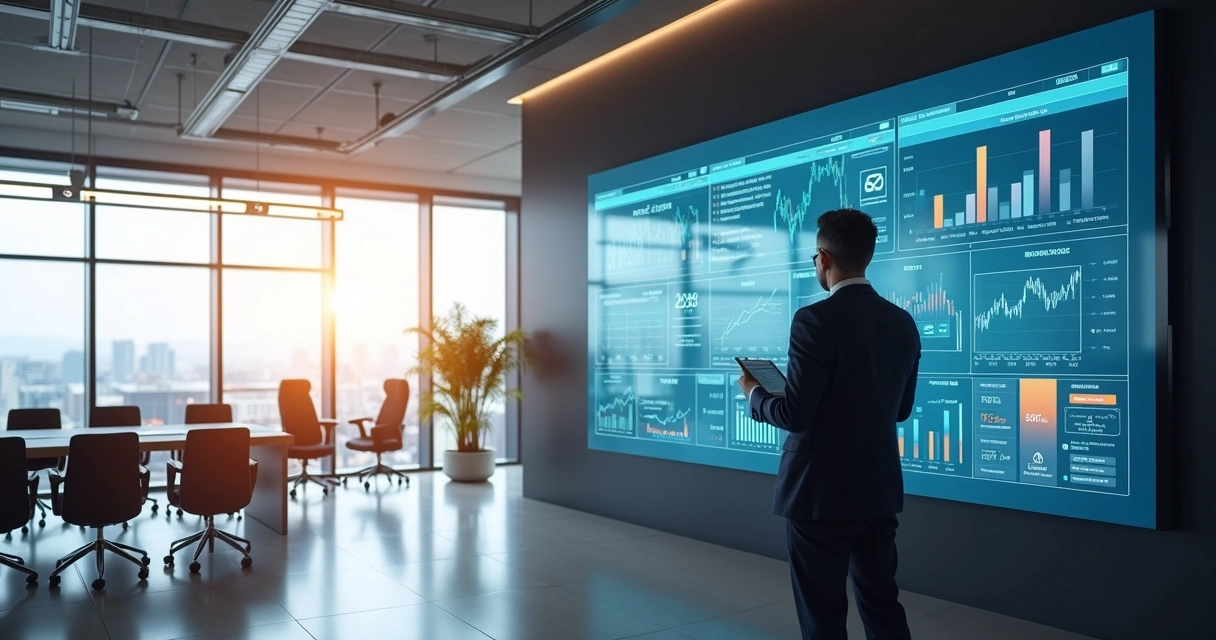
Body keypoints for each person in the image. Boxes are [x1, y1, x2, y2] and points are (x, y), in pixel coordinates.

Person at [738, 208, 920, 640]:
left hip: (817, 496)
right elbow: (900, 410)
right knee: (881, 604)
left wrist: (754, 393)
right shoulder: (904, 323)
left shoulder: (814, 320)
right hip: (877, 492)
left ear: (822, 257)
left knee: (822, 615)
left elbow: (794, 415)